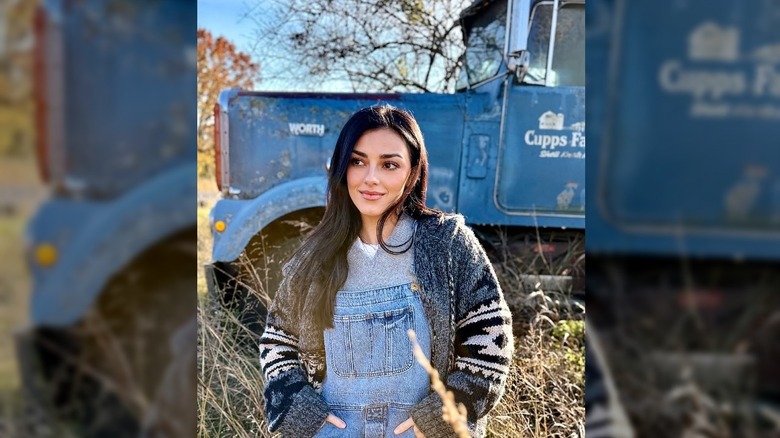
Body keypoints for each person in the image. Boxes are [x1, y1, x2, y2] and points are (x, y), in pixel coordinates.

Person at [258, 105, 514, 438]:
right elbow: (277, 341)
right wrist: (300, 413)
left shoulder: (447, 245)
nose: (371, 178)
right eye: (357, 162)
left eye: (389, 164)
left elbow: (492, 341)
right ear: (341, 168)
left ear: (412, 172)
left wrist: (445, 416)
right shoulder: (315, 257)